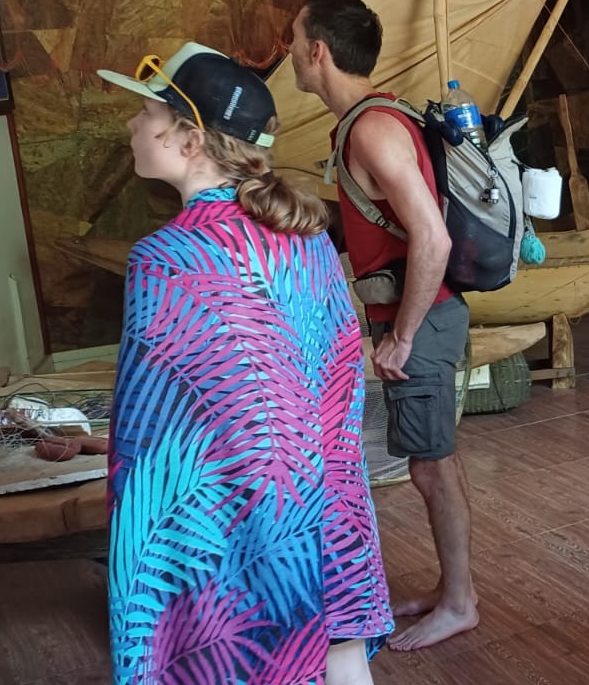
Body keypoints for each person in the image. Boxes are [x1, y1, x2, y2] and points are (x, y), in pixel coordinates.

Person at [101, 42, 391, 684]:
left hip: (227, 521)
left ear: (188, 138)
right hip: (322, 501)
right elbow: (341, 380)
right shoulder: (307, 239)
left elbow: (150, 441)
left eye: (144, 113)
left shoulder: (166, 258)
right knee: (336, 652)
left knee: (240, 659)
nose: (130, 125)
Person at [287, 0, 478, 651]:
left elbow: (433, 238)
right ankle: (450, 588)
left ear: (317, 52)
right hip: (415, 313)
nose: (288, 55)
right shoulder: (370, 119)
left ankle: (460, 601)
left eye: (293, 42)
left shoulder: (371, 128)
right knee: (432, 463)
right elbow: (382, 224)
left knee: (431, 465)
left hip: (422, 317)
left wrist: (401, 334)